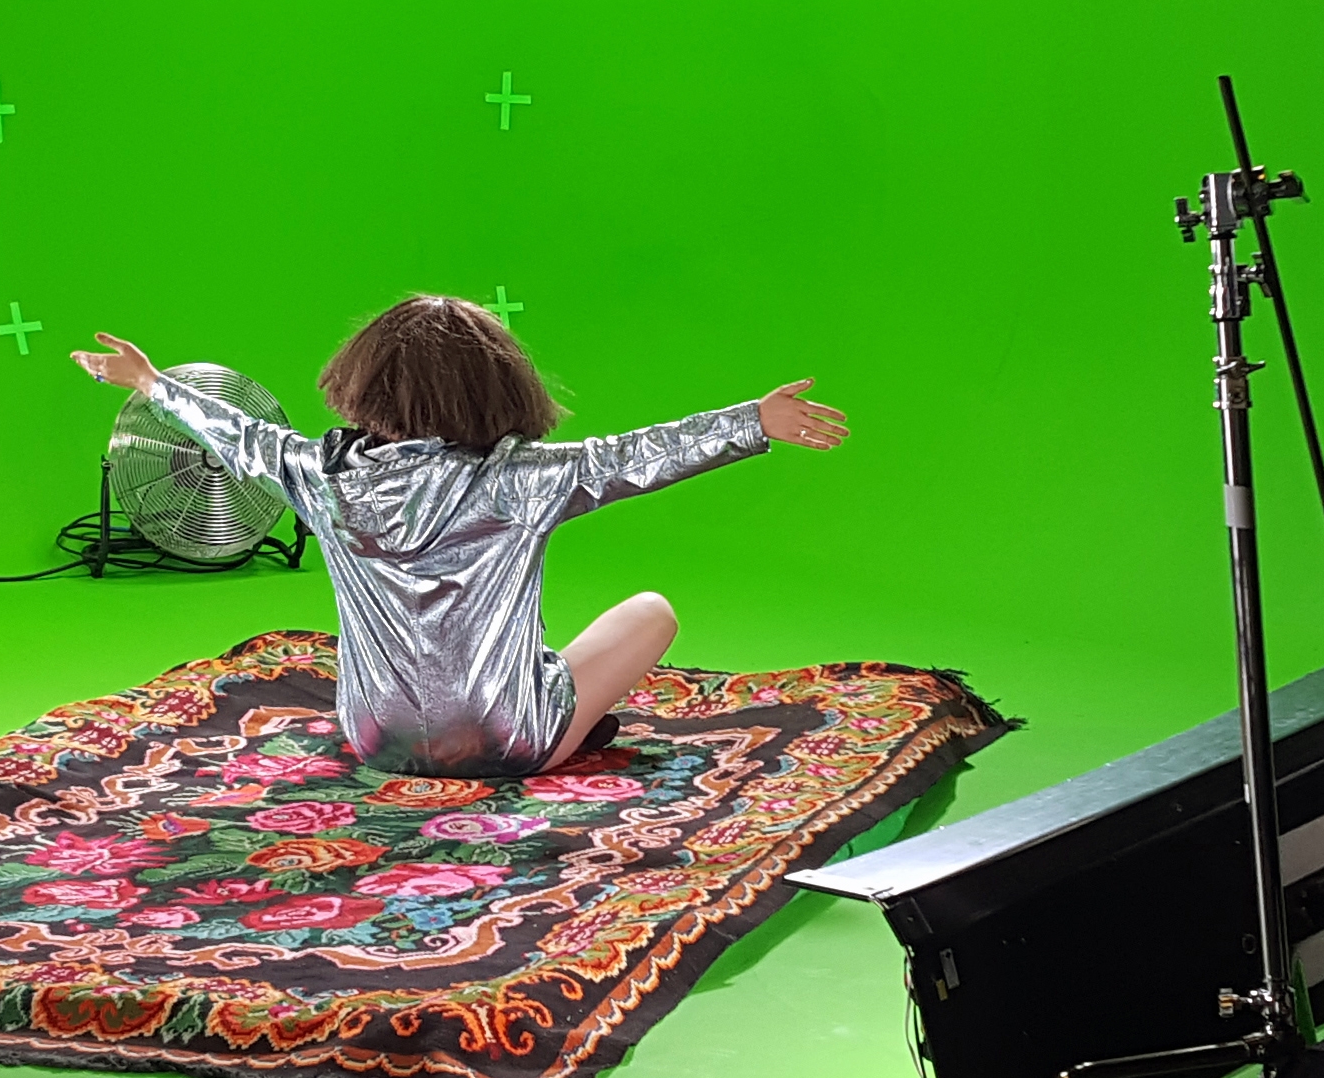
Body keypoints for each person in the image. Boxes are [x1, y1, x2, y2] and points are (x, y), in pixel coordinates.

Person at [70, 296, 847, 777]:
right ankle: (541, 697)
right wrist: (752, 422)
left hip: (374, 738)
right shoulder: (526, 478)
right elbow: (641, 456)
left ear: (361, 382)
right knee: (651, 610)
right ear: (501, 386)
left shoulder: (320, 474)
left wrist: (150, 383)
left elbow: (239, 435)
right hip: (510, 741)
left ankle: (511, 687)